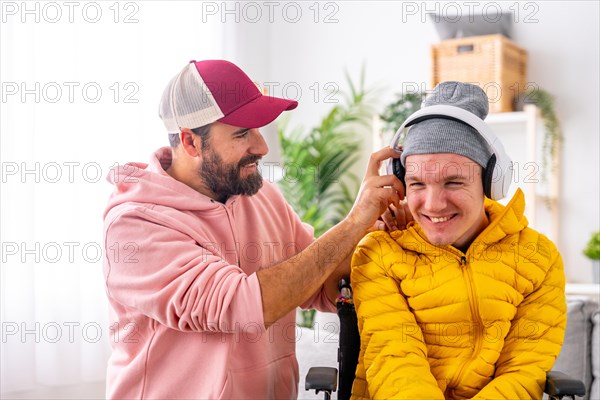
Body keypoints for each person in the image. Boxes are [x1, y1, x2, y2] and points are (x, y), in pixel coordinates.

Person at [102, 59, 405, 399]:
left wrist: (379, 236)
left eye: (258, 129)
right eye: (242, 133)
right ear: (190, 142)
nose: (261, 147)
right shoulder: (136, 225)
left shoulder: (262, 197)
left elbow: (322, 284)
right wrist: (353, 223)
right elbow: (240, 308)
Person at [350, 81, 567, 400]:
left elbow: (523, 372)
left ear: (491, 182)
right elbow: (396, 363)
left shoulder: (539, 257)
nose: (434, 204)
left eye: (453, 182)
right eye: (417, 183)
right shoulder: (378, 254)